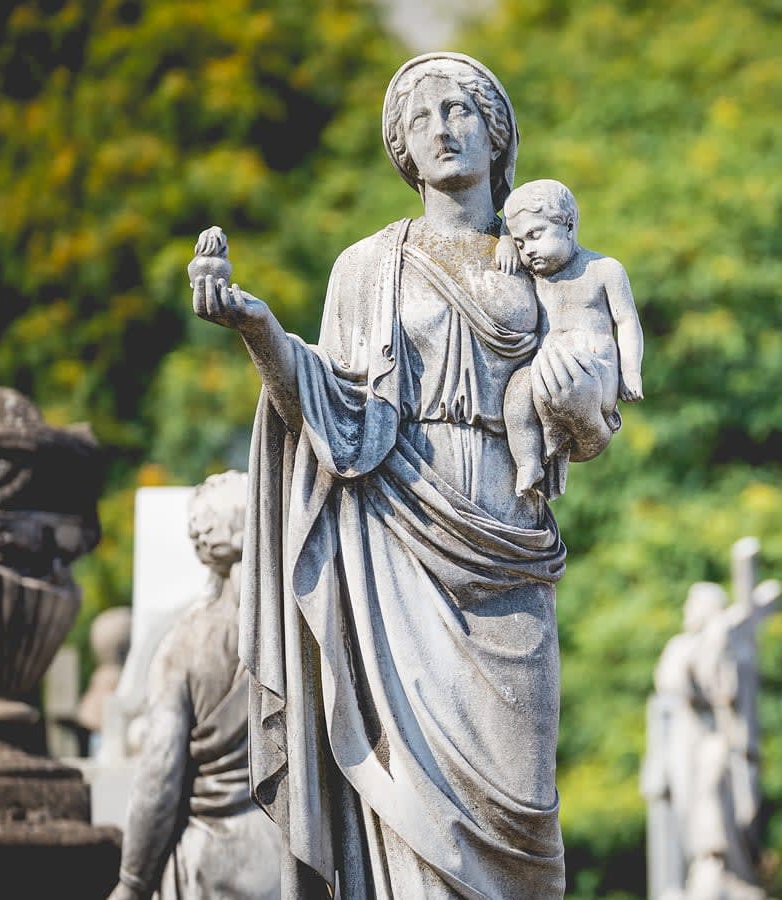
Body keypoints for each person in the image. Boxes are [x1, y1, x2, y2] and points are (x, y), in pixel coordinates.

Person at [191, 52, 607, 898]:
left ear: (496, 136)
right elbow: (336, 414)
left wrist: (577, 394)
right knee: (405, 799)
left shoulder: (543, 258)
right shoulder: (366, 267)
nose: (443, 127)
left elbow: (594, 427)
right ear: (404, 152)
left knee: (523, 809)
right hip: (396, 549)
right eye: (422, 119)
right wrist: (259, 328)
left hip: (509, 541)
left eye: (460, 111)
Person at [109, 471, 281, 900]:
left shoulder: (184, 644)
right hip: (293, 862)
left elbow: (158, 780)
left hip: (211, 863)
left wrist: (132, 883)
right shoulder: (299, 637)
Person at [493, 178, 645, 498]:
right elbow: (502, 239)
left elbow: (627, 322)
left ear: (569, 226)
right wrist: (505, 244)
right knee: (517, 392)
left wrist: (629, 372)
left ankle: (564, 431)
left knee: (561, 366)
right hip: (545, 375)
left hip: (594, 374)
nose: (528, 248)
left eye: (535, 235)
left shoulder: (604, 269)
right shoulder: (533, 277)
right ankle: (528, 461)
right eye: (521, 243)